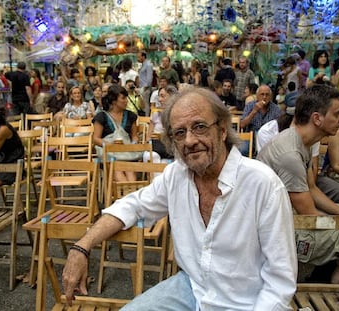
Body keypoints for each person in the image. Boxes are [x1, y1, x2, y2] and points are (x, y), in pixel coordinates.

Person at [63, 87, 297, 310]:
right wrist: (82, 246)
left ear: (223, 129)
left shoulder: (263, 185)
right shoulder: (177, 175)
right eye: (179, 133)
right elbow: (133, 205)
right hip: (191, 288)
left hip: (243, 301)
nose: (189, 141)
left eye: (200, 127)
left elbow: (280, 281)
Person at [258, 84, 339, 284]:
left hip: (293, 217)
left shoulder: (303, 142)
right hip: (282, 231)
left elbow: (312, 189)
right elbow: (311, 216)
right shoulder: (289, 154)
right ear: (317, 118)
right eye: (337, 114)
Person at [92, 84, 138, 181]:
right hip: (110, 154)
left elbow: (134, 136)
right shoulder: (101, 116)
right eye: (123, 98)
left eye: (126, 98)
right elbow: (96, 139)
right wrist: (110, 145)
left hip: (126, 154)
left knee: (130, 172)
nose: (126, 101)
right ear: (114, 100)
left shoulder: (131, 115)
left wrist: (133, 144)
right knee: (117, 170)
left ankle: (128, 194)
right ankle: (126, 194)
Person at [145, 85, 178, 162]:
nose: (159, 100)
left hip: (171, 148)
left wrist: (162, 136)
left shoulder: (178, 116)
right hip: (156, 147)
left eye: (163, 96)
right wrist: (151, 138)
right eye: (159, 97)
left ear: (172, 97)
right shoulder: (155, 114)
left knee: (165, 162)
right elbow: (148, 138)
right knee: (152, 156)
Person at [137, 51, 153, 115]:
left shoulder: (148, 65)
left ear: (143, 57)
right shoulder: (143, 64)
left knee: (146, 104)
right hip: (141, 87)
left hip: (145, 88)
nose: (138, 58)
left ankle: (146, 119)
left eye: (139, 57)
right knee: (142, 104)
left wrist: (145, 88)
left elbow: (149, 78)